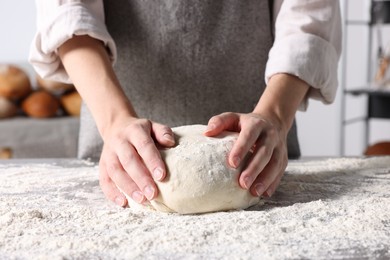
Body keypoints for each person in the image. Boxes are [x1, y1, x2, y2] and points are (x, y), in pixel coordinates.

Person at [30, 0, 342, 207]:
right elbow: (66, 11)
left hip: (258, 148)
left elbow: (307, 12)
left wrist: (274, 114)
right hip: (117, 143)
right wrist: (114, 121)